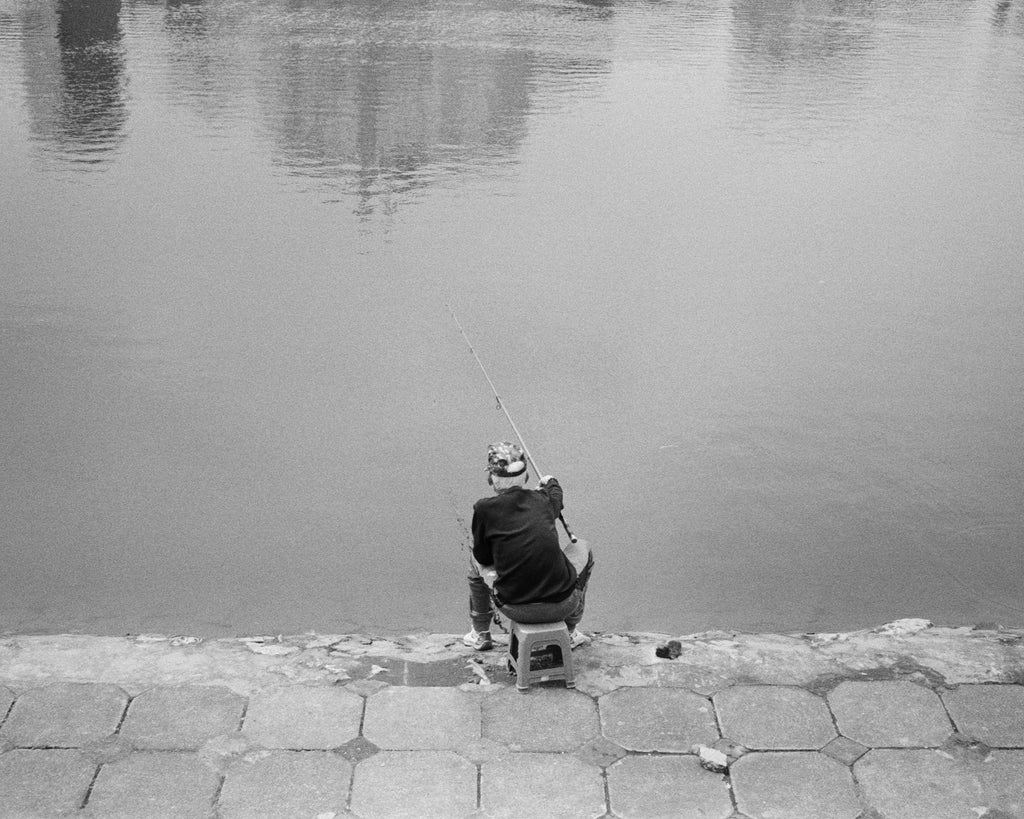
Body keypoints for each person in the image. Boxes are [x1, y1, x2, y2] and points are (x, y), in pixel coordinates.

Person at [463, 441, 592, 651]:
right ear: (525, 477)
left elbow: (483, 558)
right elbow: (556, 496)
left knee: (474, 560)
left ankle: (480, 633)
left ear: (492, 478)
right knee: (584, 547)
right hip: (563, 605)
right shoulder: (543, 500)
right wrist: (551, 482)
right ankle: (569, 632)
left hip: (514, 608)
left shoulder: (484, 509)